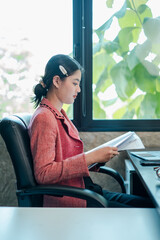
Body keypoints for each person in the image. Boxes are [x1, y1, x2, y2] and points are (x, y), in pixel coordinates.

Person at [28, 54, 153, 208]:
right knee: (147, 212)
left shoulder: (59, 114)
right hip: (75, 197)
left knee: (149, 205)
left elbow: (68, 160)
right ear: (56, 81)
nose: (78, 89)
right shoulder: (44, 118)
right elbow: (44, 174)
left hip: (85, 189)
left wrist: (97, 158)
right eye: (75, 83)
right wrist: (90, 157)